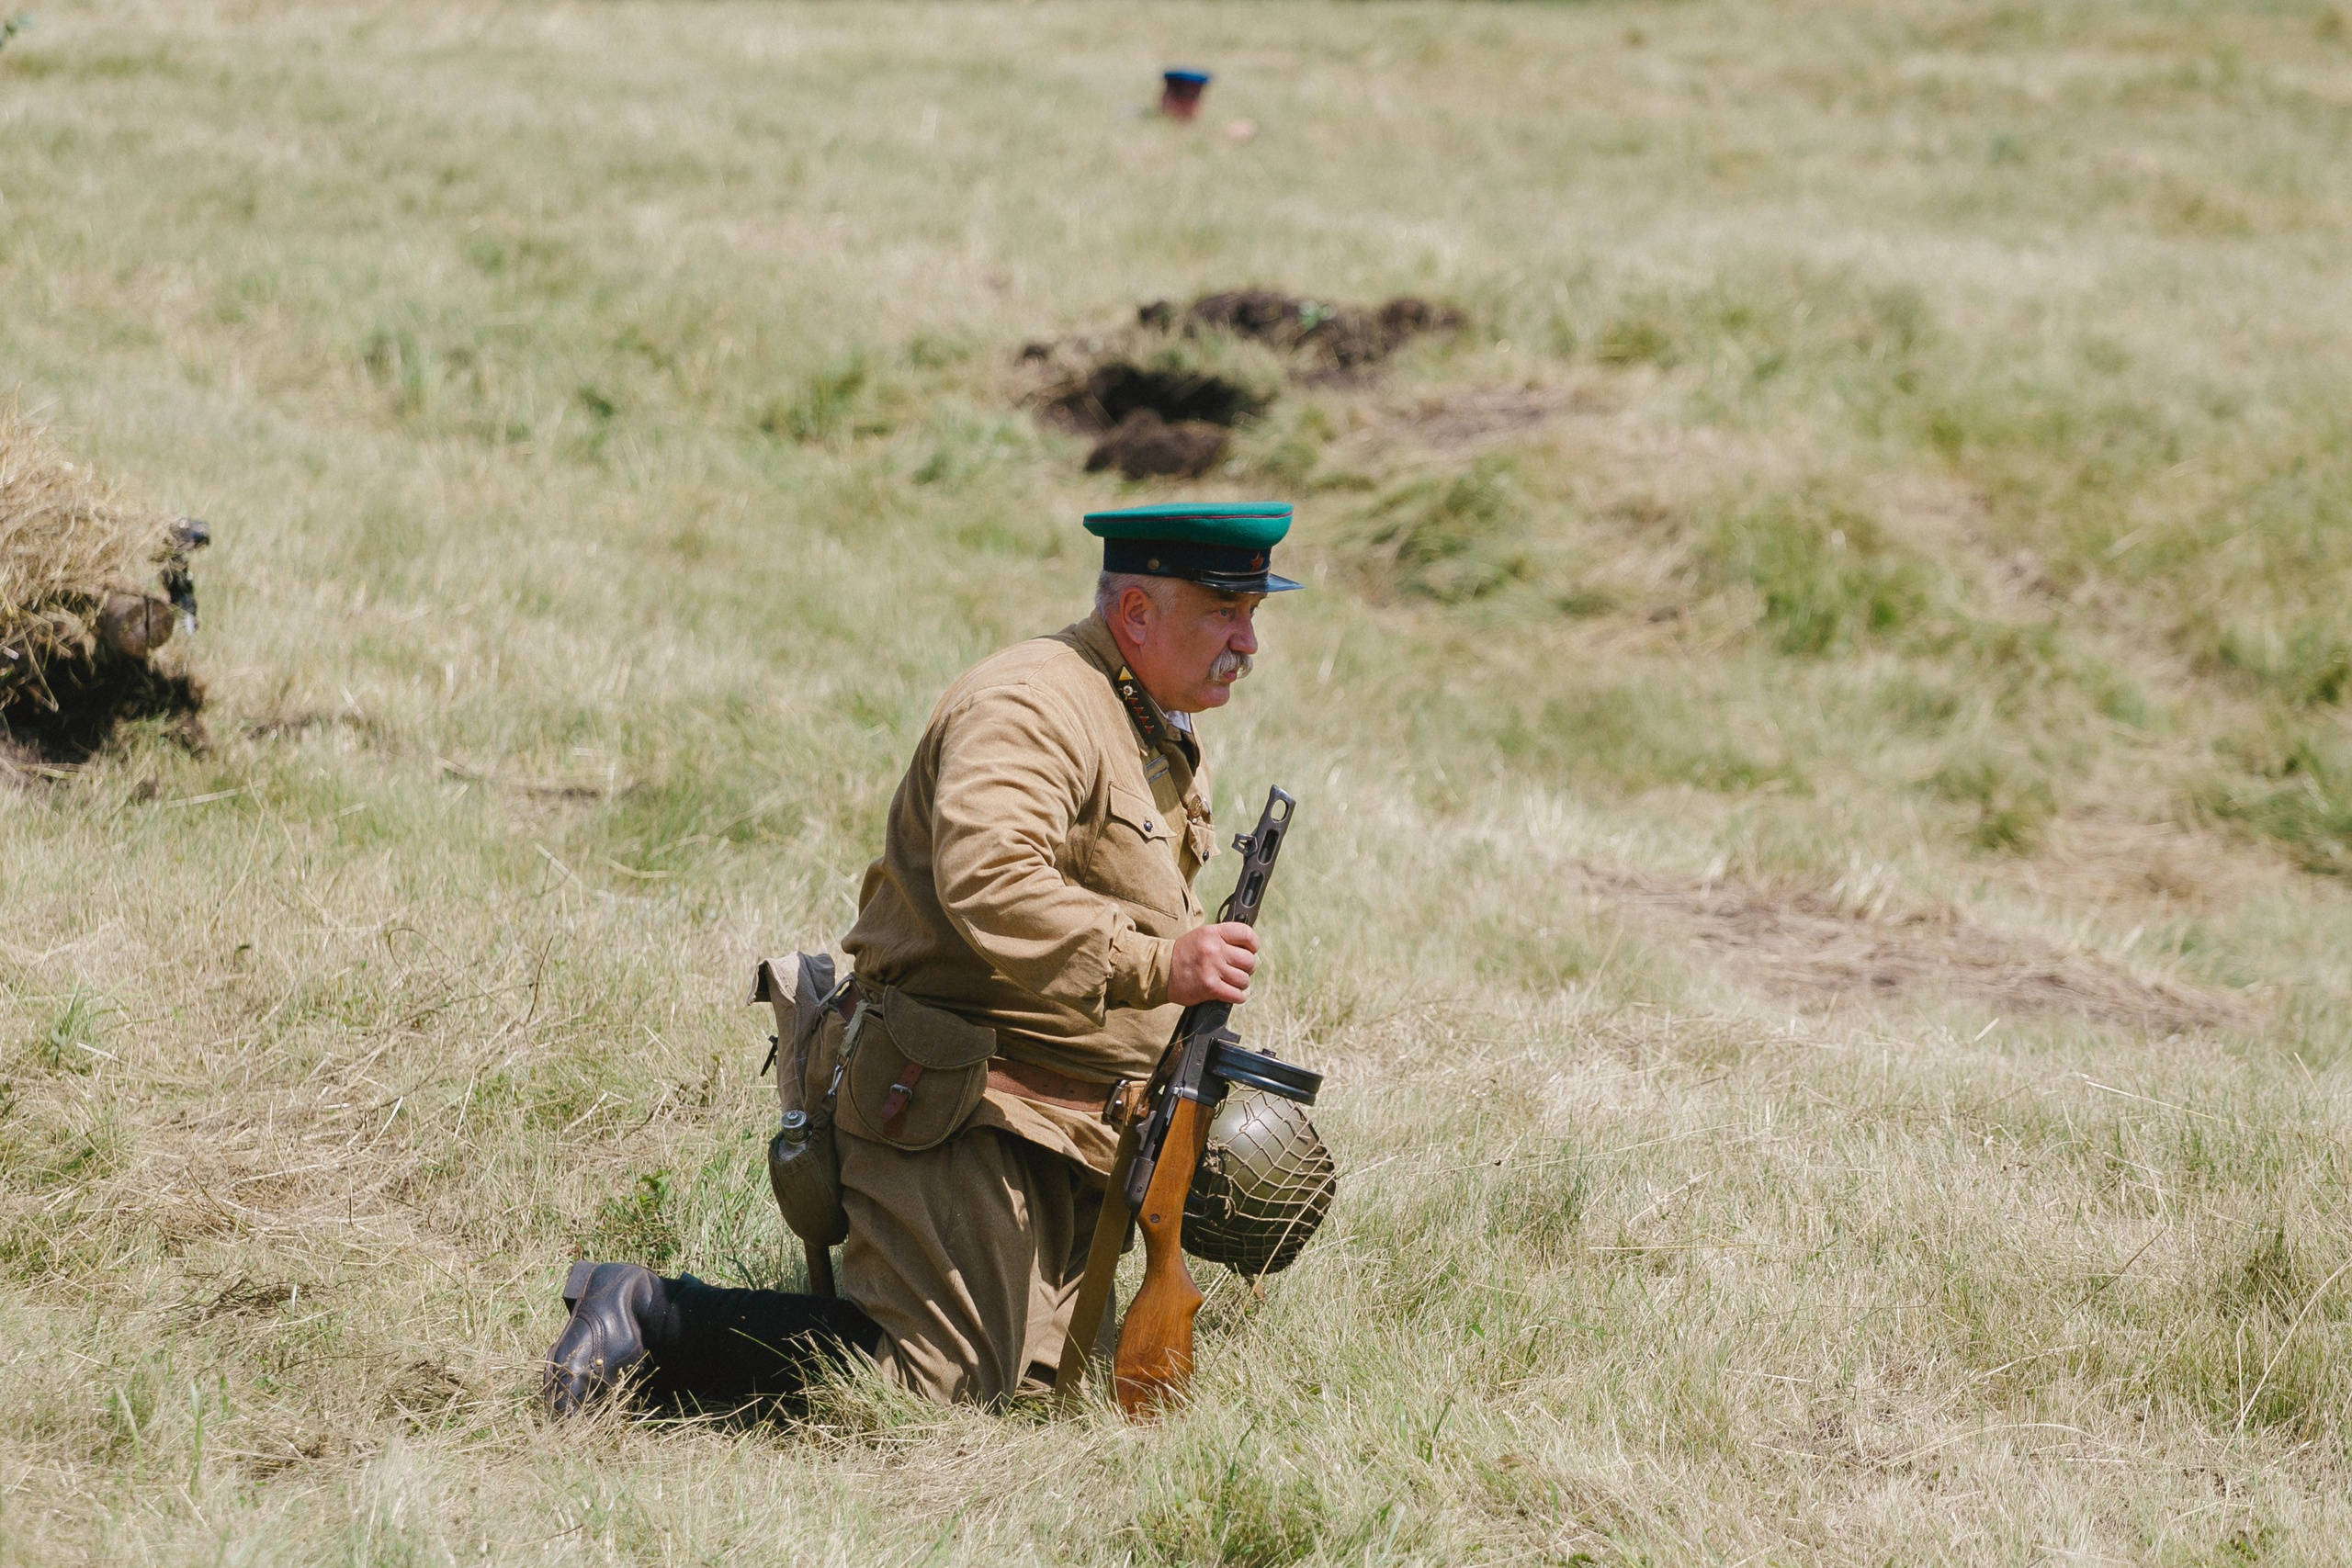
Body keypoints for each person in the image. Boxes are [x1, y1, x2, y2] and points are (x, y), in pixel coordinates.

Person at [544, 501, 1300, 1413]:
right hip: (959, 1101)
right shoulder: (1032, 706)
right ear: (1138, 614)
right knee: (935, 1388)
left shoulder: (1150, 716)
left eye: (1253, 614)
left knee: (1066, 1392)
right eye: (1226, 612)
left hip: (1064, 1118)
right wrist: (1157, 967)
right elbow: (989, 878)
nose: (1247, 643)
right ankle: (652, 1316)